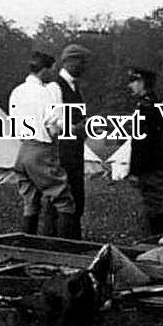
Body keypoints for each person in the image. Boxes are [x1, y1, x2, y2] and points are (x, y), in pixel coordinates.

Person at [8, 51, 77, 237]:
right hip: (41, 149)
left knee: (30, 202)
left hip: (23, 150)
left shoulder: (16, 92)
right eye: (52, 69)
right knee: (64, 199)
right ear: (44, 70)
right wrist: (73, 128)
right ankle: (66, 249)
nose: (53, 74)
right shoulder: (45, 93)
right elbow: (54, 124)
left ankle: (27, 246)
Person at [45, 44, 92, 239]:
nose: (84, 67)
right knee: (61, 196)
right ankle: (58, 240)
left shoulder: (77, 89)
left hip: (75, 149)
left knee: (76, 194)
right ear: (69, 62)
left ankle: (72, 238)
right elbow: (51, 119)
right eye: (81, 62)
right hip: (60, 149)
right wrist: (74, 128)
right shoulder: (55, 87)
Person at [127, 67, 163, 236]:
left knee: (151, 206)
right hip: (158, 164)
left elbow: (141, 144)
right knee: (154, 204)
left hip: (150, 167)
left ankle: (154, 241)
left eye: (133, 81)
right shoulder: (156, 105)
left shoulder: (146, 108)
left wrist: (135, 171)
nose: (130, 85)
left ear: (142, 82)